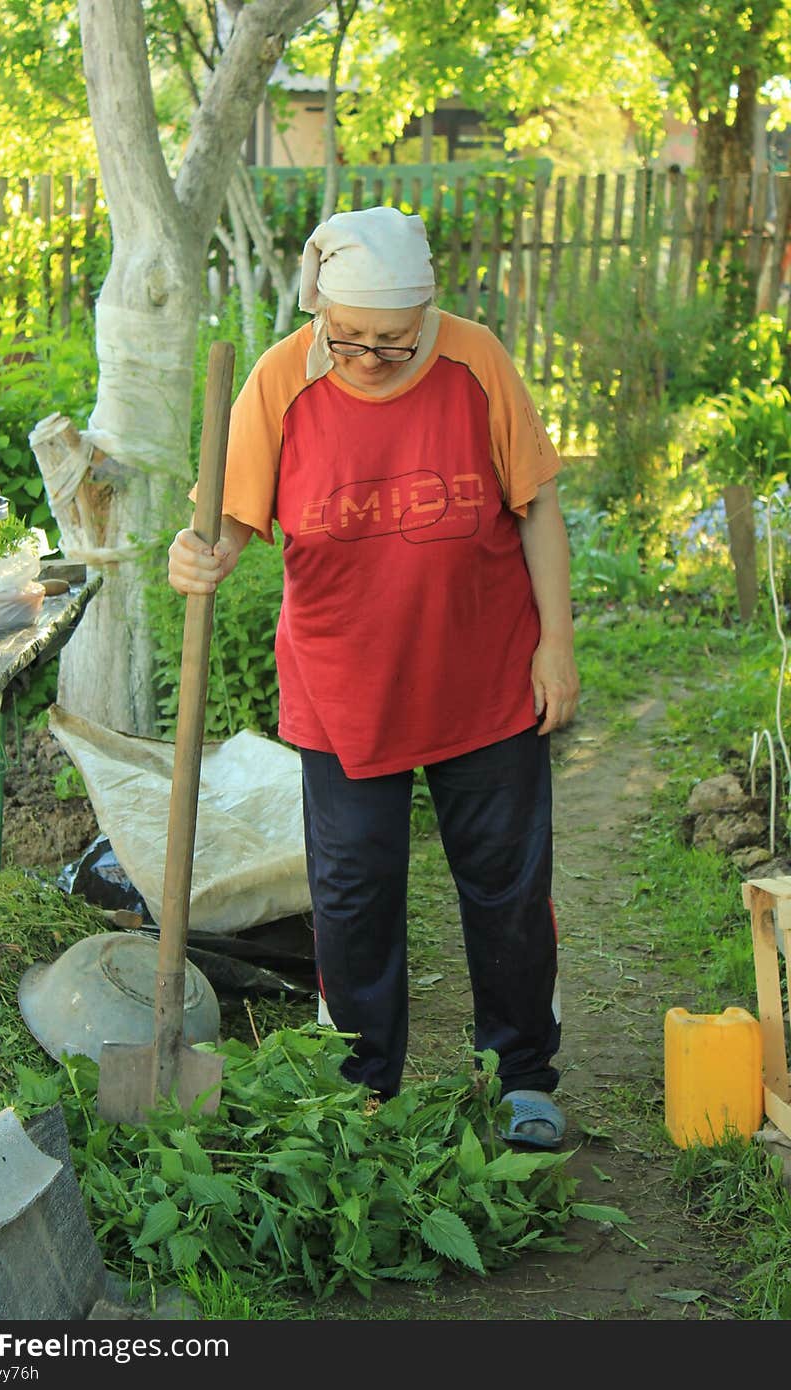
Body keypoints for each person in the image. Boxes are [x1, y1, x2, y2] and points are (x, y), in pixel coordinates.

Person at [168, 205, 579, 1148]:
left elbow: (537, 505)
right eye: (346, 337)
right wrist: (205, 556)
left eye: (392, 342)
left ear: (429, 309)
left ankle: (522, 1077)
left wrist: (556, 644)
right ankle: (361, 1090)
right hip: (342, 686)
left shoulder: (477, 362)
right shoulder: (280, 380)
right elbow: (227, 522)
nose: (367, 358)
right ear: (320, 311)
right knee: (353, 895)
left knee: (508, 890)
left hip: (482, 679)